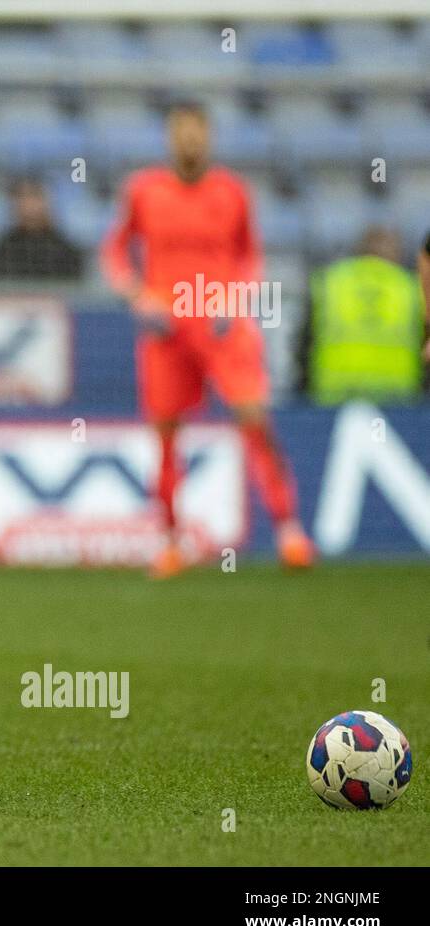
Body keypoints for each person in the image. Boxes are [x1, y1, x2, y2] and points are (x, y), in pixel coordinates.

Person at [100, 102, 314, 577]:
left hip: (220, 323)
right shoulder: (144, 191)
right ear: (169, 138)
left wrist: (233, 299)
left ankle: (289, 530)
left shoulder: (232, 193)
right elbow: (114, 252)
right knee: (166, 434)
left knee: (253, 417)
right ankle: (172, 540)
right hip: (167, 329)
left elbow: (250, 259)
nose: (190, 141)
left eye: (198, 132)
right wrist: (138, 295)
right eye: (181, 132)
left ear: (210, 138)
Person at [302, 226, 425, 404]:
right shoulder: (411, 288)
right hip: (398, 400)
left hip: (333, 400)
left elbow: (305, 344)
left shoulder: (328, 282)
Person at [0, 178, 83, 280]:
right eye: (22, 197)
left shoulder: (67, 251)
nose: (29, 205)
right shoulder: (2, 250)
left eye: (35, 196)